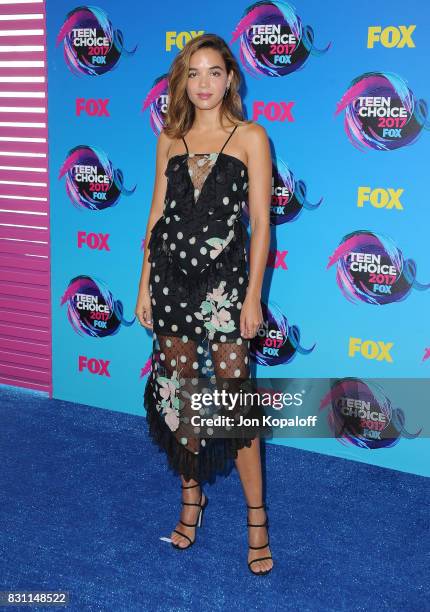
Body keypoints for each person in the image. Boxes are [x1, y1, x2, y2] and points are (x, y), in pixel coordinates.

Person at [135, 33, 273, 575]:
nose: (204, 84)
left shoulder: (251, 138)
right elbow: (155, 218)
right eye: (194, 73)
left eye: (214, 72)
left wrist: (253, 296)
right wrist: (144, 283)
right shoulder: (169, 138)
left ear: (231, 78)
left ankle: (257, 521)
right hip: (170, 284)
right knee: (182, 396)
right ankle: (192, 500)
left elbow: (261, 225)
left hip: (226, 290)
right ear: (182, 81)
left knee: (235, 404)